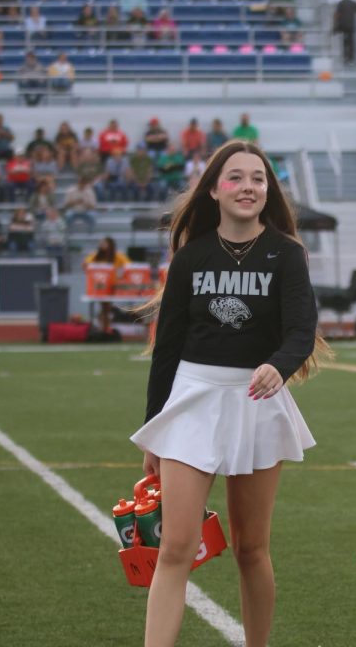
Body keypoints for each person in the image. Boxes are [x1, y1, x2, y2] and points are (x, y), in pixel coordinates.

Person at [130, 141, 328, 647]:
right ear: (215, 189)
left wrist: (277, 368)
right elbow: (167, 349)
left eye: (258, 179)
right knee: (175, 546)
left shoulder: (286, 254)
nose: (248, 187)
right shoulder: (191, 256)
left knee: (251, 548)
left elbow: (301, 331)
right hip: (194, 399)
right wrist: (154, 430)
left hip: (258, 401)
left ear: (268, 190)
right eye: (236, 178)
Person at [333, 0, 356, 66]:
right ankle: (351, 59)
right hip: (351, 26)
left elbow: (337, 14)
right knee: (351, 43)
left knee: (344, 42)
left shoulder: (340, 3)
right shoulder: (353, 3)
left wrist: (334, 23)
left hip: (343, 25)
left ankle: (345, 58)